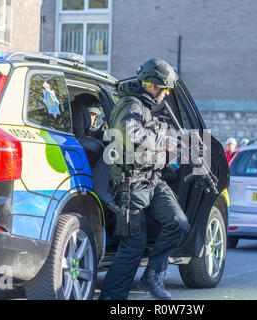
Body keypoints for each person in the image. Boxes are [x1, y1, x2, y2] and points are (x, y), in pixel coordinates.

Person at [99, 58, 190, 300]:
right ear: (152, 85)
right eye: (165, 89)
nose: (167, 95)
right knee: (133, 246)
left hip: (153, 180)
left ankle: (152, 276)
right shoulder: (130, 105)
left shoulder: (149, 107)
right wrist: (164, 141)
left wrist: (173, 150)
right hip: (131, 183)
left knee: (178, 224)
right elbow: (129, 133)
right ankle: (111, 298)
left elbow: (149, 144)